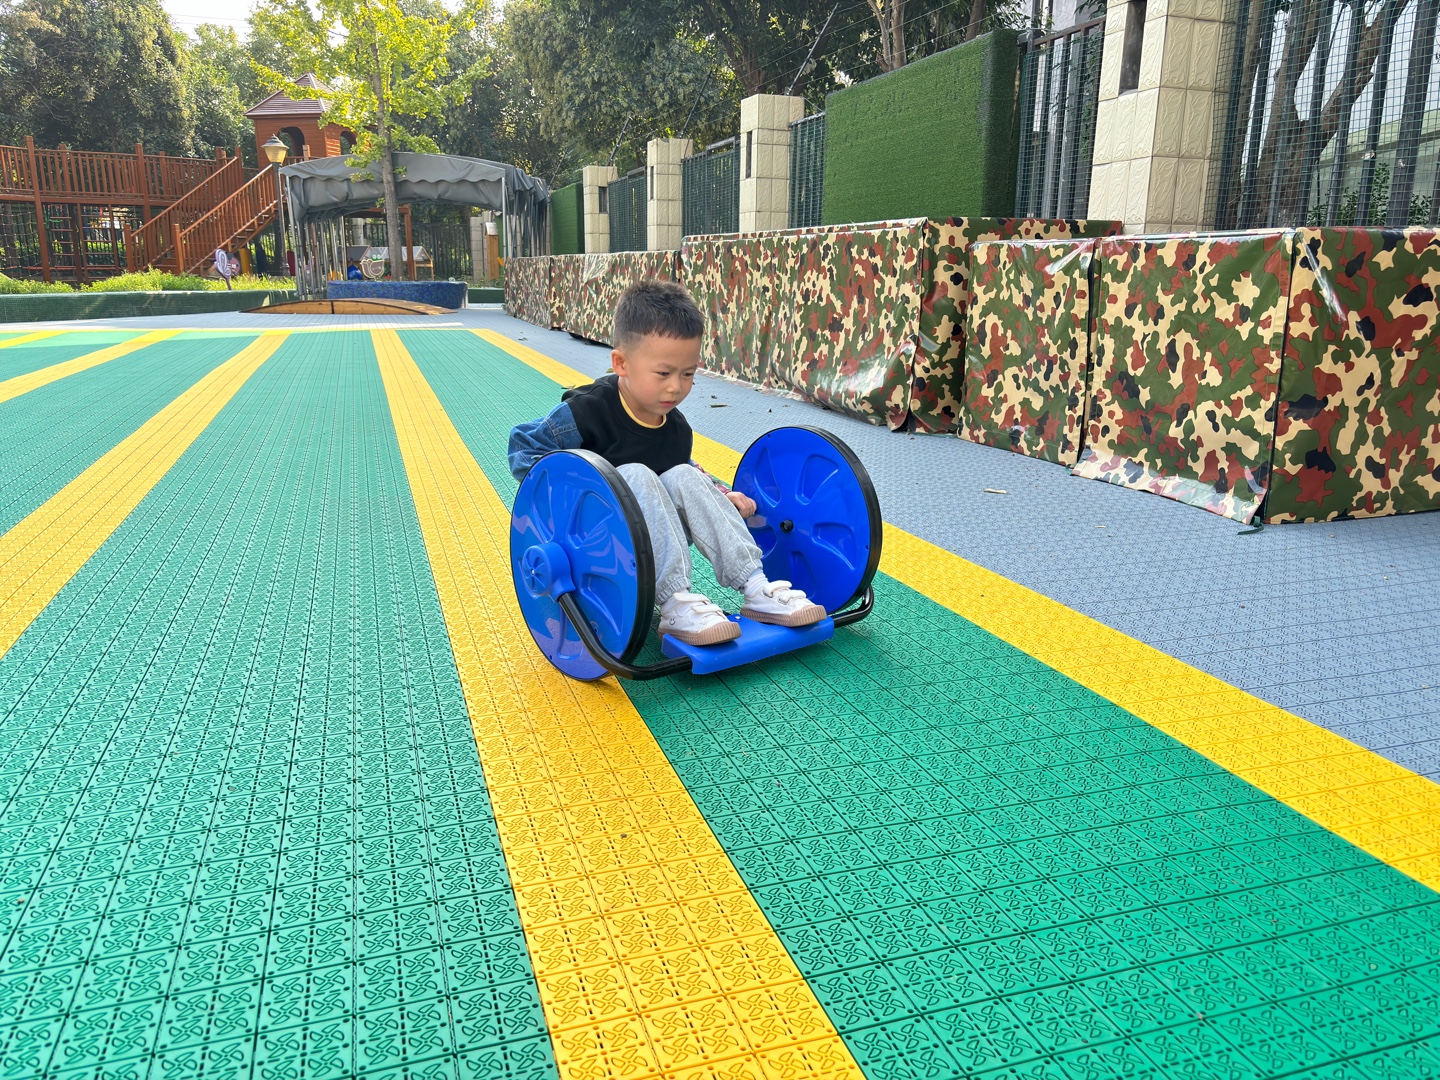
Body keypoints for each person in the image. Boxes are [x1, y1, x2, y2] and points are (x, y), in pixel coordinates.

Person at [508, 279, 825, 646]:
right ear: (621, 363)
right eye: (663, 373)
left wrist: (722, 494)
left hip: (654, 532)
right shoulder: (586, 412)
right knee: (635, 474)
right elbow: (523, 445)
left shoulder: (675, 429)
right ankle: (674, 603)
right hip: (592, 534)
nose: (676, 387)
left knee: (683, 475)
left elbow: (684, 470)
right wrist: (566, 501)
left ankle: (755, 586)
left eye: (688, 374)